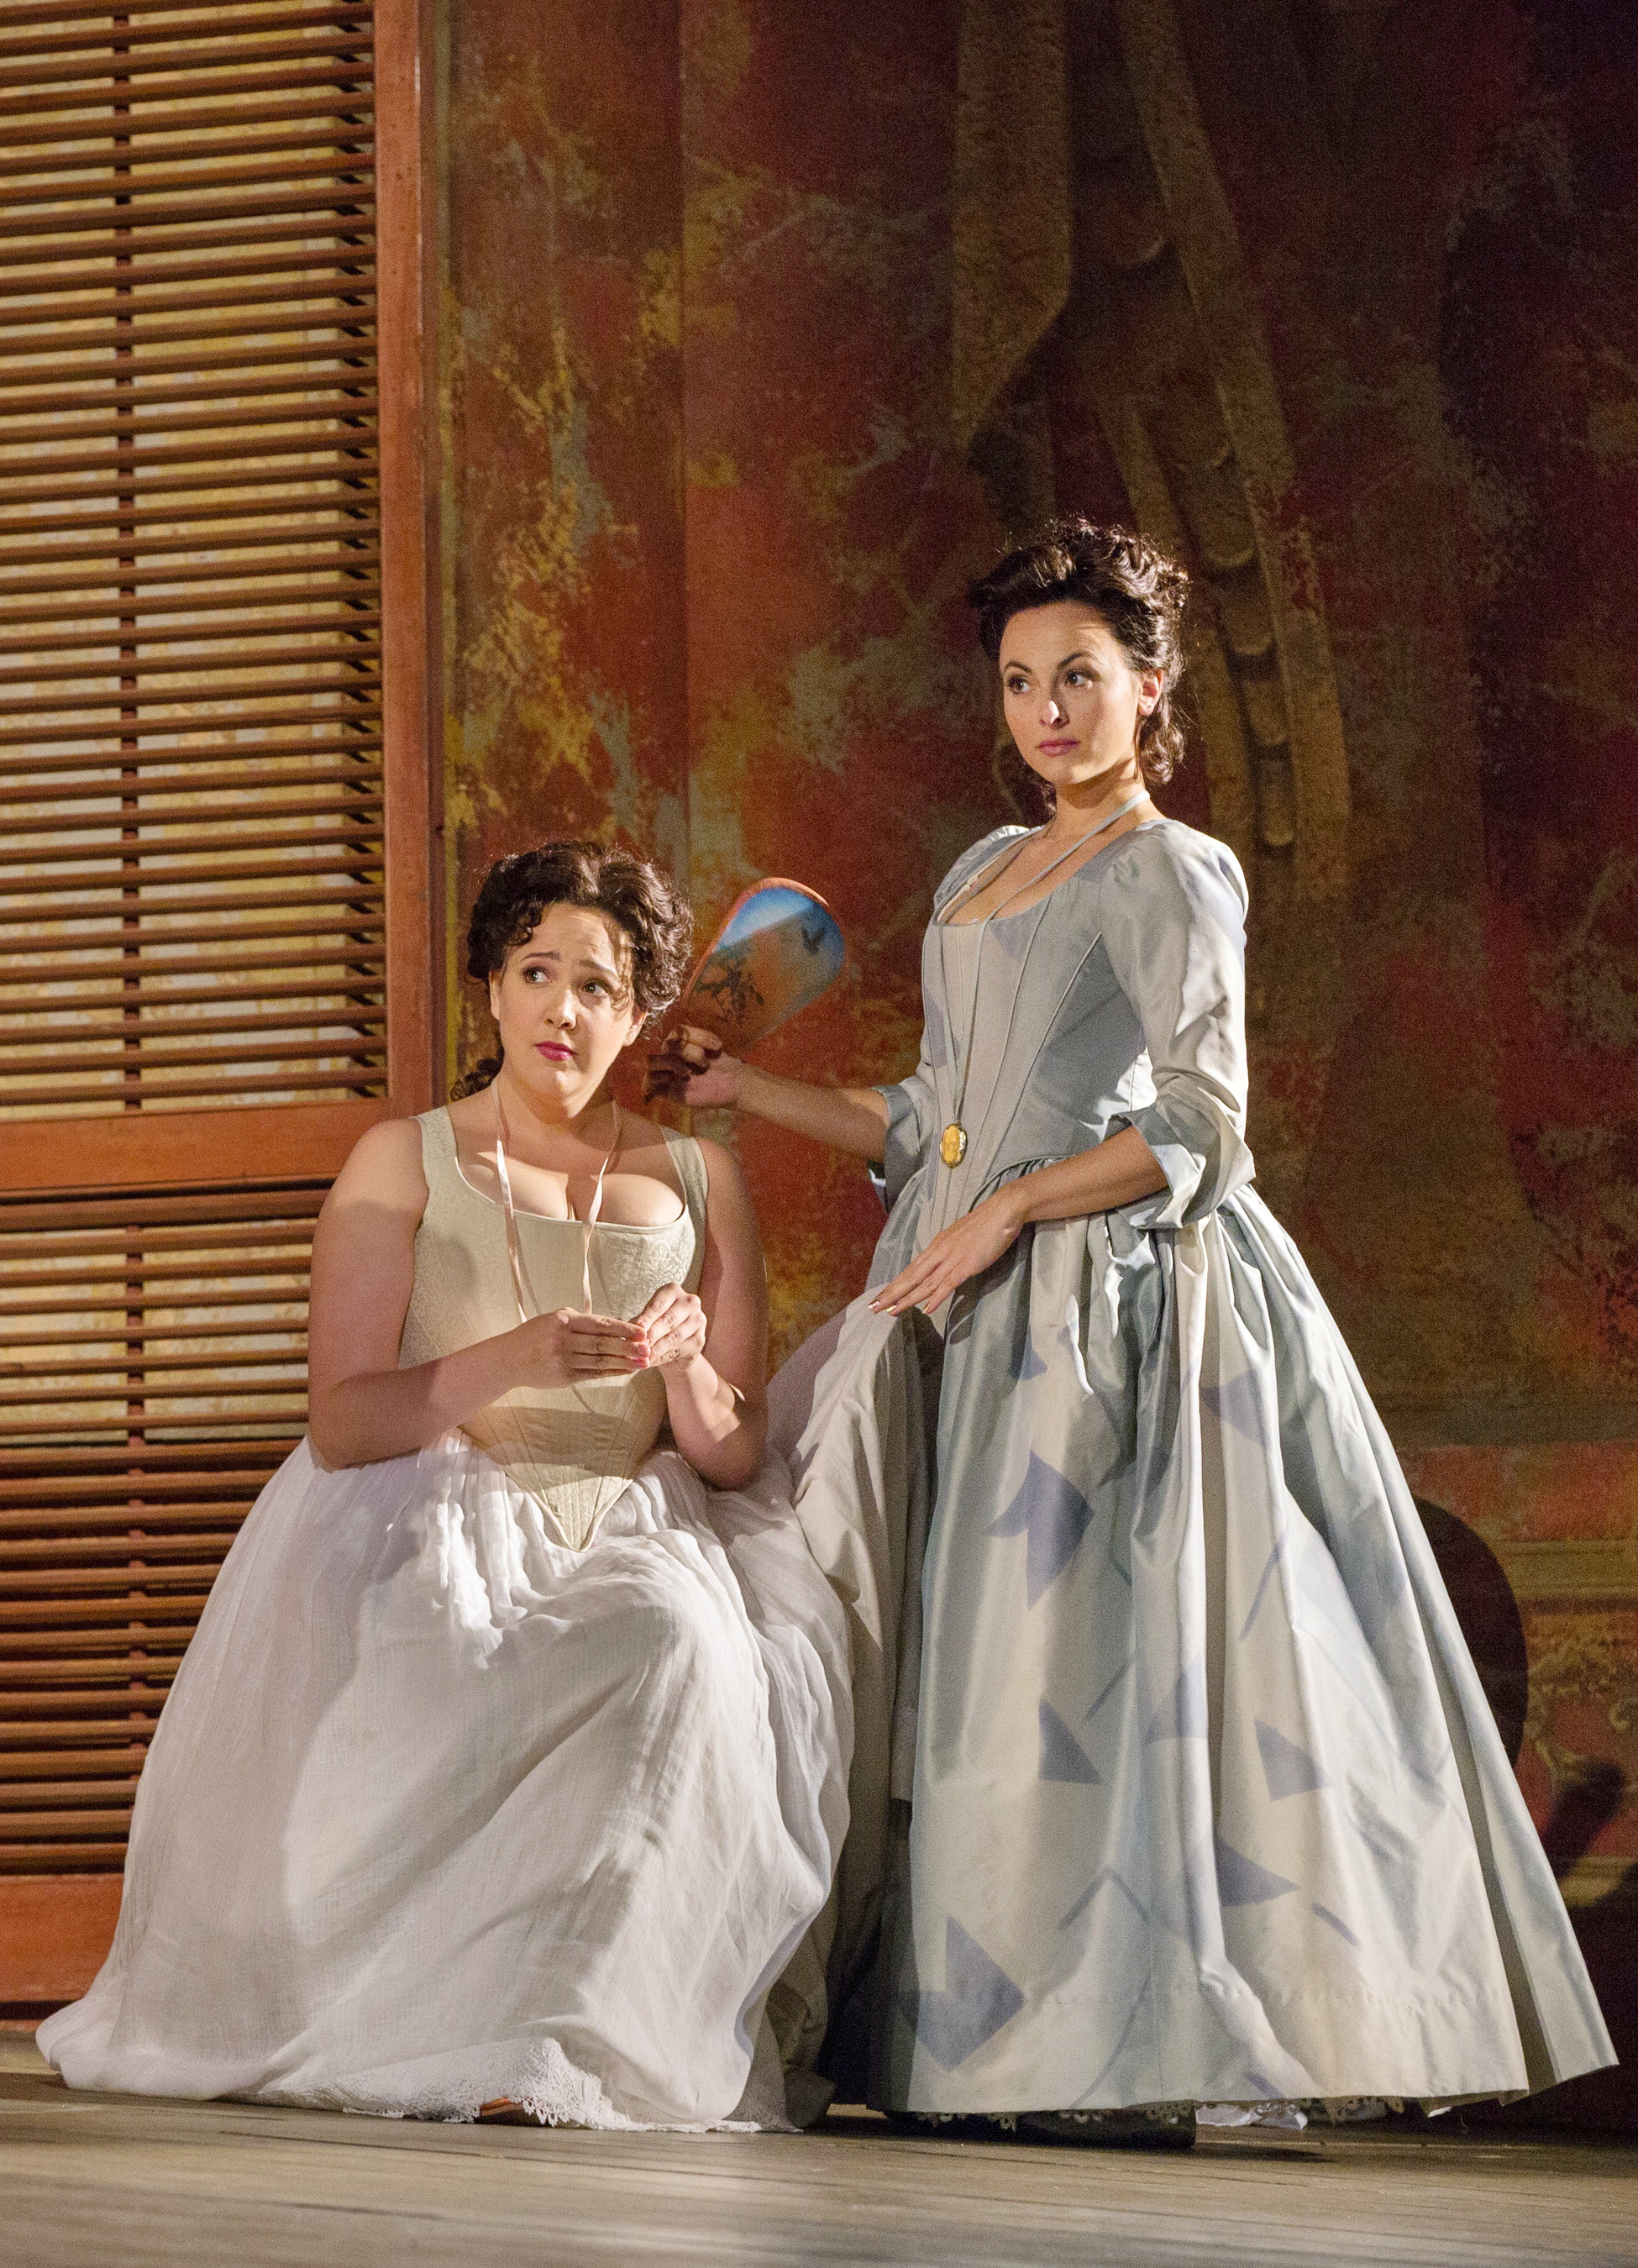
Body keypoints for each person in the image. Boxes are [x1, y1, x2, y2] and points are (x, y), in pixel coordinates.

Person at [648, 518, 1614, 2145]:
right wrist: (751, 1087)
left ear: (1150, 686)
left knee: (1078, 1674)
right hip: (955, 1291)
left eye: (1079, 678)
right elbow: (932, 1117)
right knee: (964, 1679)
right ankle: (970, 2046)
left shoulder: (1175, 868)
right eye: (1021, 681)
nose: (1047, 710)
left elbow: (1202, 1122)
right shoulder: (979, 868)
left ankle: (1103, 2055)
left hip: (1107, 1299)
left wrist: (1013, 1212)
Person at [39, 843, 851, 2130]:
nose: (563, 1008)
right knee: (459, 1640)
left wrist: (685, 1363)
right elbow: (344, 1422)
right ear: (491, 988)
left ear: (639, 1010)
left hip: (629, 1510)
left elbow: (732, 1451)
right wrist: (510, 1359)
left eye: (598, 985)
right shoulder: (401, 1157)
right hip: (434, 1498)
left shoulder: (699, 1178)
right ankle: (422, 2022)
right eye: (537, 972)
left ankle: (557, 2036)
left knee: (672, 1636)